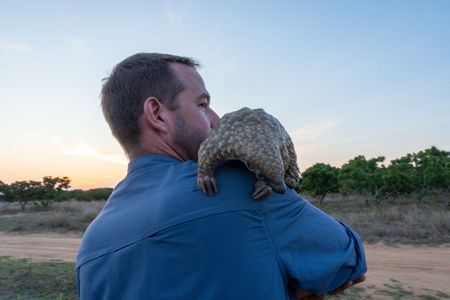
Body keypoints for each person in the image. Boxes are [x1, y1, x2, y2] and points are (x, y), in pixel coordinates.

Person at [76, 53, 367, 299]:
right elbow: (349, 261)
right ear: (157, 113)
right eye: (202, 105)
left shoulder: (90, 246)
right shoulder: (239, 185)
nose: (216, 119)